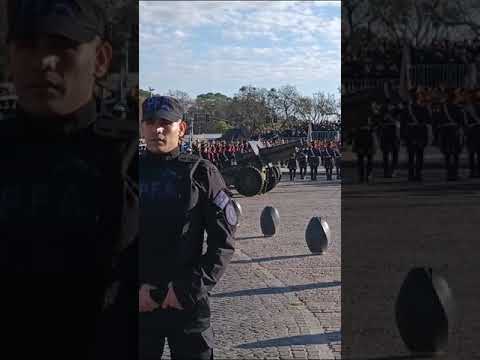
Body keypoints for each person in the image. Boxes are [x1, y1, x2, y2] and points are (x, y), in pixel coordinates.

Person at [1, 1, 138, 359]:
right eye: (28, 45)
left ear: (101, 59)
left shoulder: (131, 159)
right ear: (10, 58)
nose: (44, 61)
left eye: (63, 45)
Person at [139, 95, 236, 360]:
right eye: (149, 122)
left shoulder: (202, 173)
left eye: (165, 123)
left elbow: (222, 243)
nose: (157, 129)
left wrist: (187, 289)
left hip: (188, 304)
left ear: (181, 129)